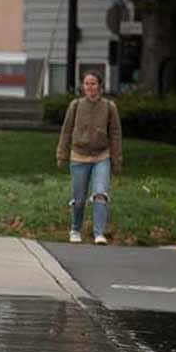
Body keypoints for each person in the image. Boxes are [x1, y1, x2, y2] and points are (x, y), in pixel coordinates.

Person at [56, 70, 122, 244]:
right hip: (79, 156)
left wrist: (116, 159)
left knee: (100, 193)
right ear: (82, 86)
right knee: (79, 199)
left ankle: (99, 233)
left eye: (93, 83)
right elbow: (66, 130)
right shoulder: (75, 105)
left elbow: (115, 134)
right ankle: (75, 229)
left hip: (102, 156)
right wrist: (62, 154)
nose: (90, 87)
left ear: (100, 86)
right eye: (87, 83)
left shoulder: (109, 106)